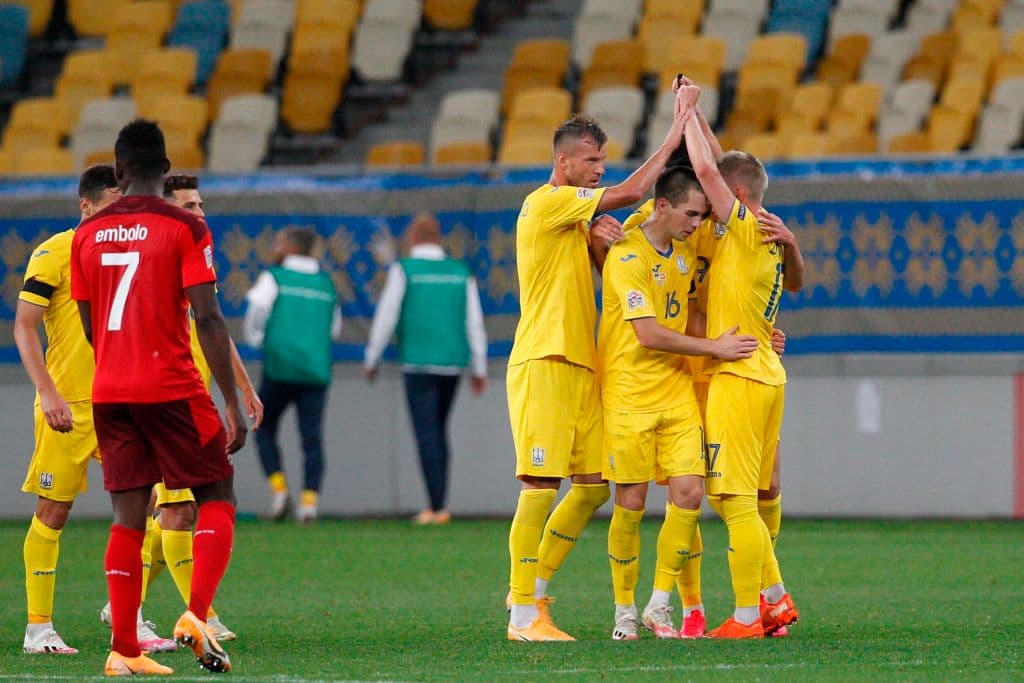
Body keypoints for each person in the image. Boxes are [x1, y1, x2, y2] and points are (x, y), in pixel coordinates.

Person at [506, 86, 695, 642]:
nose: (599, 168)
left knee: (591, 487)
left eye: (602, 160)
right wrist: (676, 131)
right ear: (563, 161)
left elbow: (600, 269)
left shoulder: (573, 219)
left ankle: (532, 592)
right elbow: (636, 191)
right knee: (540, 486)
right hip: (544, 357)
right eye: (591, 159)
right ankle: (521, 614)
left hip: (582, 363)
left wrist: (596, 241)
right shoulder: (545, 202)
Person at [71, 119, 246, 675]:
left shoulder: (86, 234)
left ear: (118, 172)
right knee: (217, 491)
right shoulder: (185, 227)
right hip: (170, 386)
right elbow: (209, 317)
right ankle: (195, 613)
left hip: (110, 391)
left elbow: (90, 324)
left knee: (127, 513)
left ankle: (123, 650)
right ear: (165, 170)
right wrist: (233, 402)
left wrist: (119, 365)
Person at [97, 173, 263, 642]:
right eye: (189, 206)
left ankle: (125, 610)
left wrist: (243, 387)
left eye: (201, 205)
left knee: (157, 511)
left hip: (174, 394)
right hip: (162, 396)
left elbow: (213, 324)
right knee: (179, 512)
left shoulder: (181, 249)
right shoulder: (167, 247)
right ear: (165, 207)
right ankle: (199, 614)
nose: (199, 214)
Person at [599, 166, 757, 641]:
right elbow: (647, 334)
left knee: (688, 494)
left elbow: (703, 307)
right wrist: (715, 349)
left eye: (702, 214)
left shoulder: (685, 248)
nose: (697, 222)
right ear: (662, 207)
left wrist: (763, 335)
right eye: (691, 213)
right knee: (630, 504)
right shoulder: (626, 255)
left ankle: (659, 604)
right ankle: (623, 609)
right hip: (628, 394)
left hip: (676, 391)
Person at [682, 84, 805, 639]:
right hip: (767, 374)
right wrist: (700, 118)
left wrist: (685, 114)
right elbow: (724, 166)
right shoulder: (769, 234)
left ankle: (750, 614)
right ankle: (775, 603)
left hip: (739, 374)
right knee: (750, 498)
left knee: (732, 499)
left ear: (734, 195)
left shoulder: (745, 227)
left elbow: (711, 173)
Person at [14, 165, 121, 656]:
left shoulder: (126, 253)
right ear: (87, 206)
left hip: (123, 402)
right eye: (112, 204)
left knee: (167, 504)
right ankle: (39, 629)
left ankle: (128, 615)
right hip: (70, 406)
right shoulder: (55, 251)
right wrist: (49, 393)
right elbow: (23, 326)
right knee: (54, 511)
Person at [363, 212, 488, 525]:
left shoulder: (405, 270)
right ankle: (440, 503)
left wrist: (372, 358)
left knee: (426, 433)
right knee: (439, 432)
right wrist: (479, 366)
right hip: (452, 364)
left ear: (413, 238)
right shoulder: (460, 272)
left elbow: (387, 316)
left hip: (417, 363)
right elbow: (474, 322)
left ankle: (435, 506)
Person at [244, 227, 342, 523]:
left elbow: (258, 311)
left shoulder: (274, 277)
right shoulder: (326, 284)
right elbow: (334, 329)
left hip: (280, 369)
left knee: (264, 428)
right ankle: (309, 503)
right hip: (315, 371)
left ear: (289, 247)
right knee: (312, 439)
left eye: (278, 241)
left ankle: (279, 490)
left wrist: (258, 338)